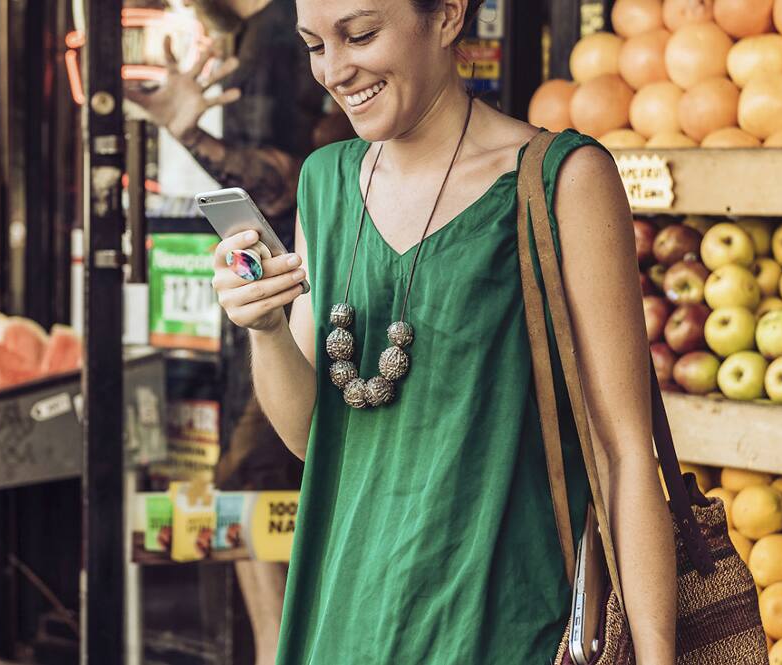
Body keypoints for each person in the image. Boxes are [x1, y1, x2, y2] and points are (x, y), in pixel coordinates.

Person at [211, 0, 678, 663]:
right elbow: (313, 437)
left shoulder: (561, 179)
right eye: (315, 45)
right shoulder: (326, 182)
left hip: (507, 629)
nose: (335, 70)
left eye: (361, 34)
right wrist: (263, 328)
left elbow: (625, 452)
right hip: (344, 622)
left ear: (449, 16)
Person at [126, 2, 334, 663]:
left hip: (309, 293)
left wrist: (192, 134)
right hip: (298, 294)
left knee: (250, 478)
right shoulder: (265, 33)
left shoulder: (279, 33)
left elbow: (280, 183)